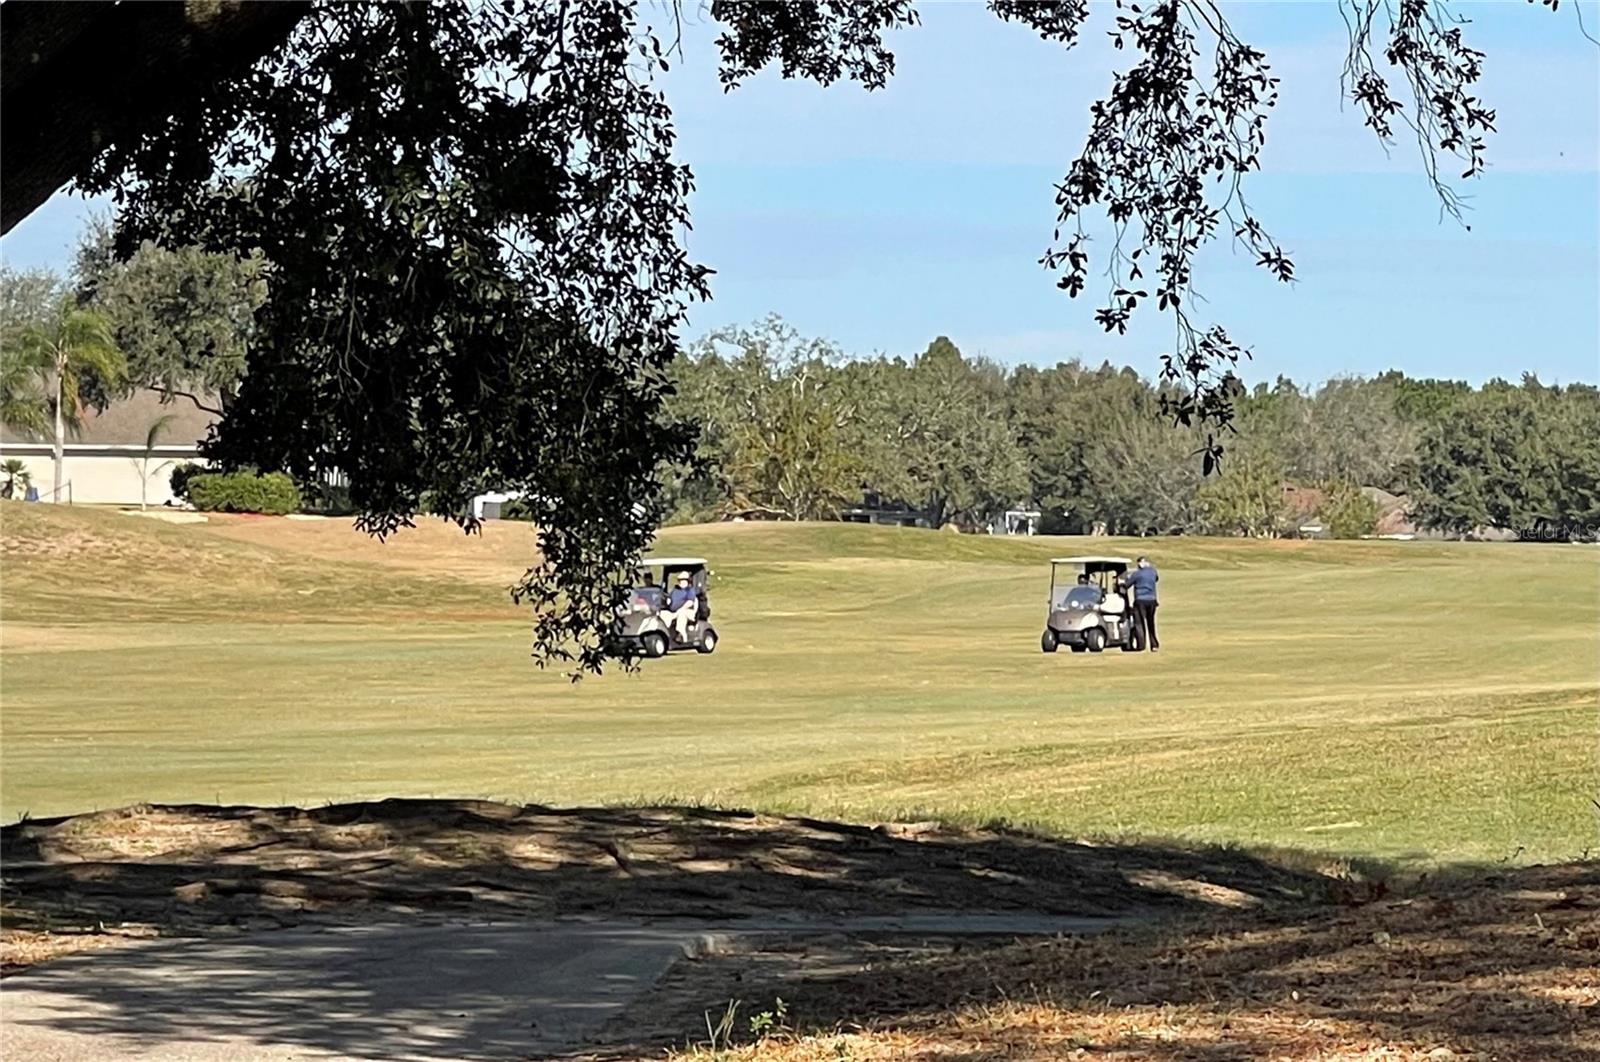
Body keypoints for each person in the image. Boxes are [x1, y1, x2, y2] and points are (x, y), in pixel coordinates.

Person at [1125, 556, 1160, 652]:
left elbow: (1127, 585)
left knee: (1139, 623)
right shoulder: (1153, 572)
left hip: (1140, 600)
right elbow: (1156, 579)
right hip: (1152, 600)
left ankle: (1141, 645)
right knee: (1151, 623)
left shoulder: (1137, 574)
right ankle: (1154, 645)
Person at [660, 572, 699, 643]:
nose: (681, 582)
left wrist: (681, 608)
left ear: (687, 581)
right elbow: (668, 598)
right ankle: (664, 634)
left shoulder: (689, 590)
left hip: (688, 611)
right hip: (674, 612)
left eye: (683, 580)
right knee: (662, 613)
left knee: (681, 613)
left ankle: (681, 635)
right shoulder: (675, 590)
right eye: (680, 580)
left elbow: (690, 602)